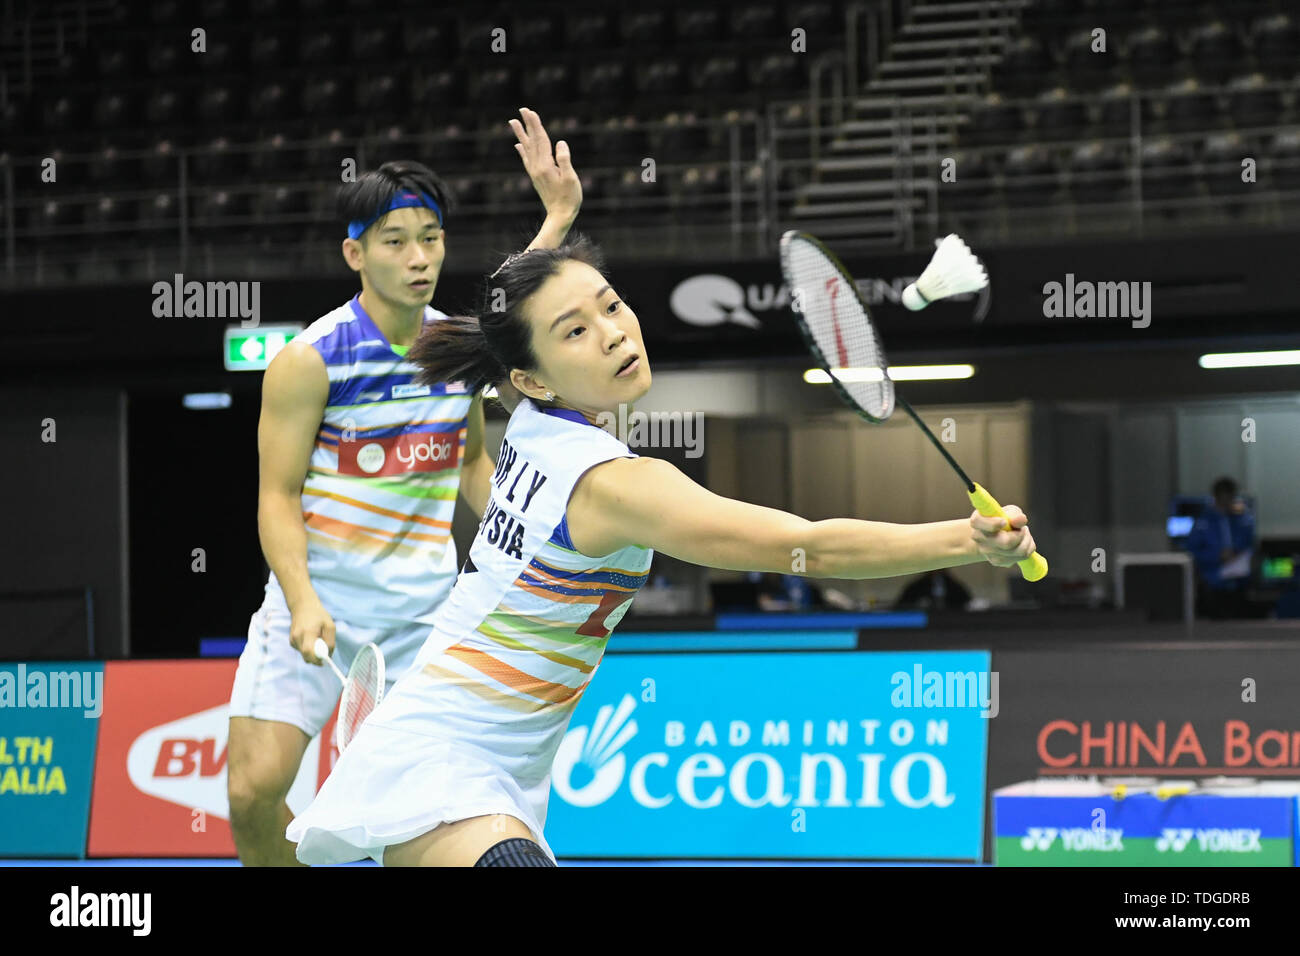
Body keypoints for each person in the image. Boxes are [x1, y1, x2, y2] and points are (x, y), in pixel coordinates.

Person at [285, 235, 1038, 867]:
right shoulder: (617, 484)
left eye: (610, 304)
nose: (613, 331)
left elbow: (513, 322)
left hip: (502, 762)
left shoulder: (533, 422)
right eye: (576, 331)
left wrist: (556, 223)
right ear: (530, 378)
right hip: (438, 761)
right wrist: (966, 541)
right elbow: (805, 547)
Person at [226, 110, 582, 866]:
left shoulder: (451, 351)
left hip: (422, 618)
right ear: (355, 252)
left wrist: (557, 218)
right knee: (253, 793)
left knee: (416, 819)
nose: (420, 258)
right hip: (316, 602)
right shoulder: (309, 360)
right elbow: (277, 496)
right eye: (395, 242)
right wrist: (301, 598)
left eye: (432, 238)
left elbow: (471, 464)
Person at [1186, 476, 1256, 619]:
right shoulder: (1203, 522)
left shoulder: (1242, 520)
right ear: (1216, 498)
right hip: (1213, 583)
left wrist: (1237, 553)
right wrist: (1217, 556)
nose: (1227, 504)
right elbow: (1193, 552)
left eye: (1230, 499)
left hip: (1239, 583)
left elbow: (1249, 545)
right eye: (1223, 500)